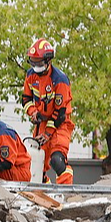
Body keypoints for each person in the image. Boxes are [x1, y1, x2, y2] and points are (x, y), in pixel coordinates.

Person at [21, 38, 74, 184]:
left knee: (57, 160)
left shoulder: (59, 80)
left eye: (38, 62)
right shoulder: (30, 75)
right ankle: (41, 193)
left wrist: (48, 134)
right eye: (33, 62)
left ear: (48, 60)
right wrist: (33, 112)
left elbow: (60, 113)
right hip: (42, 123)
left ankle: (66, 193)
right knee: (36, 164)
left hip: (60, 124)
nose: (35, 66)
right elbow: (26, 99)